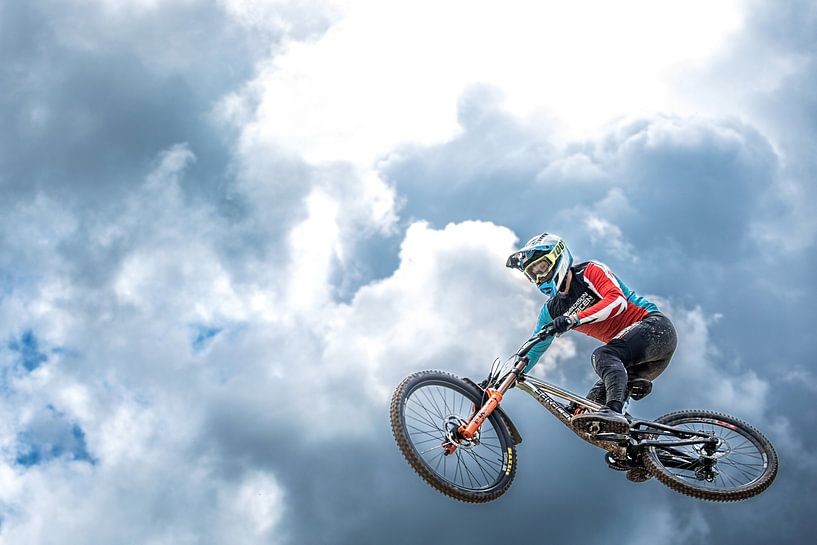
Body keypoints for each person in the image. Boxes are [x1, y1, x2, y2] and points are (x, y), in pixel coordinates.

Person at [506, 232, 677, 435]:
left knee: (603, 355)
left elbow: (617, 301)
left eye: (541, 267)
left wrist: (573, 319)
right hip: (633, 361)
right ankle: (643, 450)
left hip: (655, 329)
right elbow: (535, 347)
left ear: (557, 257)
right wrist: (506, 377)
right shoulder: (551, 311)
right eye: (533, 274)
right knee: (589, 410)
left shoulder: (589, 272)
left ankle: (615, 412)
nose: (540, 276)